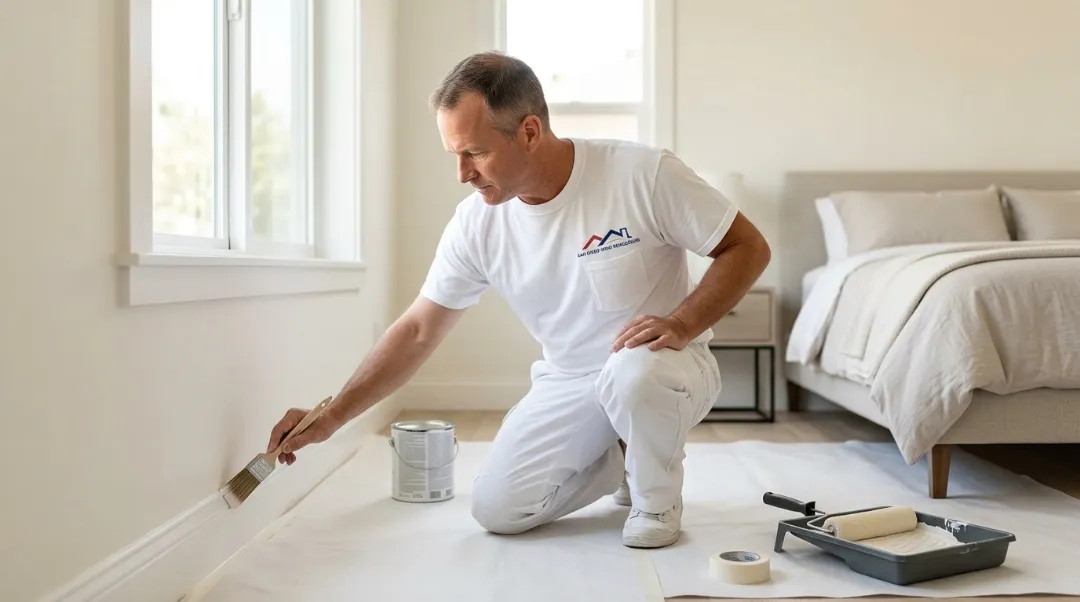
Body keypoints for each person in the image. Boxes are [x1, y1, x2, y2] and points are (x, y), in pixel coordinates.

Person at [265, 51, 771, 549]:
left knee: (635, 373)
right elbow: (419, 330)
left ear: (529, 131)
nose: (462, 173)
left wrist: (684, 322)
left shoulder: (642, 173)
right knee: (498, 511)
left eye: (475, 153)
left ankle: (656, 499)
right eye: (455, 155)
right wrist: (330, 417)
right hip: (569, 380)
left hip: (664, 369)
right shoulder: (476, 223)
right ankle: (627, 451)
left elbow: (748, 247)